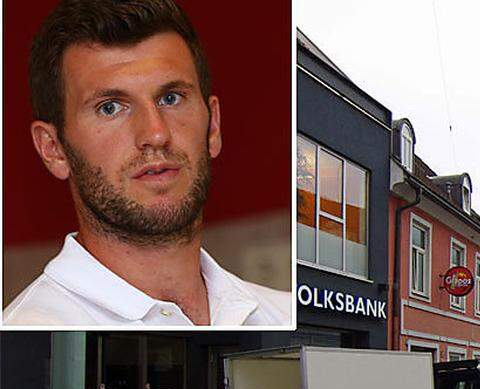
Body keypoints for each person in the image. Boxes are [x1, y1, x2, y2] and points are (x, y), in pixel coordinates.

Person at [3, 0, 291, 327]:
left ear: (213, 126)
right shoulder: (28, 331)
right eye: (110, 107)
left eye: (171, 98)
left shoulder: (281, 314)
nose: (155, 133)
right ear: (54, 149)